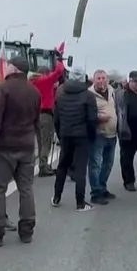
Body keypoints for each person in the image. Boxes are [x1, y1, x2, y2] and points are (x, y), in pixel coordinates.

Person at [0, 53, 42, 246]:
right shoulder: (34, 92)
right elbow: (37, 121)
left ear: (15, 69)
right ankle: (27, 231)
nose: (5, 67)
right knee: (26, 188)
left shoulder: (2, 89)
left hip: (4, 148)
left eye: (8, 65)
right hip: (26, 147)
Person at [51, 71, 98, 211]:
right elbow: (92, 119)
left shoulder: (61, 94)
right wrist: (91, 136)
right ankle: (80, 202)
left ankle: (56, 197)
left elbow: (56, 118)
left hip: (66, 134)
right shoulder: (88, 96)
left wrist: (60, 134)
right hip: (82, 136)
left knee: (62, 166)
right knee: (80, 168)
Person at [30, 43, 67, 177]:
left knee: (39, 141)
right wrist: (60, 59)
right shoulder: (44, 81)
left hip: (35, 114)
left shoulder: (32, 82)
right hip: (45, 115)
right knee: (46, 141)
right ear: (45, 74)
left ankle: (42, 164)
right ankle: (43, 166)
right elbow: (59, 71)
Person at [88, 70, 119, 204]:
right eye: (98, 78)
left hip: (112, 133)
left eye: (103, 78)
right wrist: (98, 118)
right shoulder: (89, 94)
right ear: (94, 80)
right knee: (95, 164)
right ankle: (95, 192)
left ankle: (102, 187)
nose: (101, 80)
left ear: (107, 79)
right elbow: (86, 113)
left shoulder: (112, 91)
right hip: (98, 133)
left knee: (108, 164)